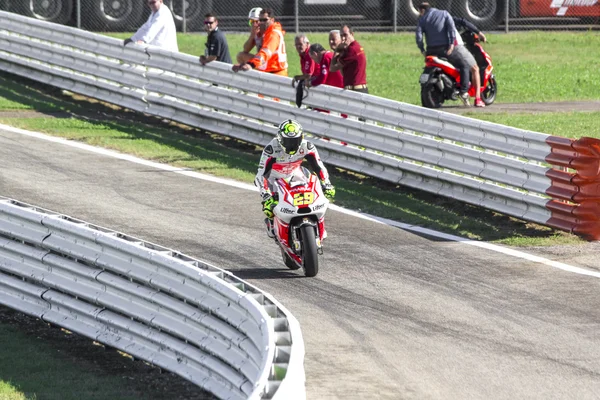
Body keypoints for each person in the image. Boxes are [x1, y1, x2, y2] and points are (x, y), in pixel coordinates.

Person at [255, 119, 335, 238]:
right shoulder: (271, 149)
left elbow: (318, 166)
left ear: (301, 137)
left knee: (313, 186)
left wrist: (326, 183)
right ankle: (273, 223)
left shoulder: (307, 146)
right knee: (270, 209)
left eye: (295, 141)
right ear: (280, 138)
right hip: (274, 177)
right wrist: (266, 195)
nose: (291, 144)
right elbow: (261, 175)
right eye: (287, 141)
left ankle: (318, 224)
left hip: (295, 173)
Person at [415, 2, 471, 106]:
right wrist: (451, 44)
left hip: (431, 50)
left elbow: (418, 37)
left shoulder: (422, 19)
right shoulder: (444, 14)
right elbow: (451, 29)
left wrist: (422, 50)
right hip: (444, 50)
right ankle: (464, 92)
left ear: (422, 10)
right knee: (464, 65)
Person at [232, 8, 288, 76]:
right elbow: (246, 49)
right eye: (251, 22)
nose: (256, 24)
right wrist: (253, 35)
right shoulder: (261, 32)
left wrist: (250, 64)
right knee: (240, 56)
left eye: (257, 21)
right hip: (267, 65)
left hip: (276, 70)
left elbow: (266, 52)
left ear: (272, 20)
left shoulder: (273, 33)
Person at [454, 16, 487, 107]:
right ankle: (477, 99)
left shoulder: (429, 21)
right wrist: (479, 32)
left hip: (436, 50)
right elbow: (463, 21)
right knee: (475, 68)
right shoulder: (448, 18)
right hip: (453, 49)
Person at [330, 25, 368, 94]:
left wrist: (337, 50)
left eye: (345, 35)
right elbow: (344, 73)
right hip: (361, 88)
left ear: (352, 34)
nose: (343, 38)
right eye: (341, 36)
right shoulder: (357, 46)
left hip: (354, 90)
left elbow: (332, 68)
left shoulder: (351, 50)